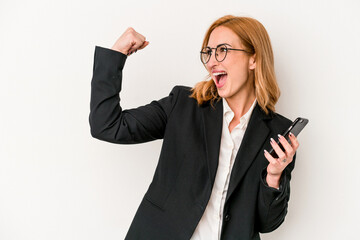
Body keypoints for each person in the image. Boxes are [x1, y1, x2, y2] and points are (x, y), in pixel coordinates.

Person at [89, 15, 300, 240]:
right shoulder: (183, 105)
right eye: (208, 52)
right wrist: (117, 54)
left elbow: (267, 223)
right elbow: (107, 125)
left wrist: (274, 176)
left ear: (253, 59)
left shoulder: (277, 132)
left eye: (222, 50)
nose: (211, 61)